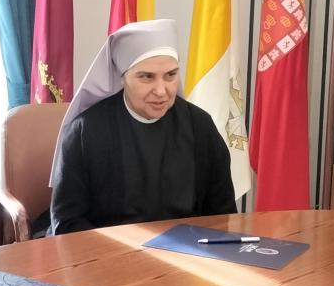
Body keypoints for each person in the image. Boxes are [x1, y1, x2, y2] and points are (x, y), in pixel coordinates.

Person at [49, 18, 235, 234]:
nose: (161, 91)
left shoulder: (200, 127)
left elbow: (222, 215)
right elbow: (67, 223)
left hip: (187, 248)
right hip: (108, 251)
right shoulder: (86, 132)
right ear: (122, 78)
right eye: (147, 77)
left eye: (170, 75)